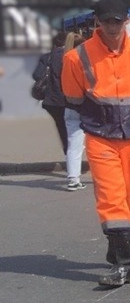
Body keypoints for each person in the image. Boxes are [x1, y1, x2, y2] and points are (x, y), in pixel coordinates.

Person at [61, 0, 130, 288]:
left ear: (126, 20)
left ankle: (118, 248)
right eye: (107, 21)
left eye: (118, 21)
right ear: (97, 22)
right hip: (101, 138)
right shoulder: (77, 58)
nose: (113, 27)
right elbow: (74, 97)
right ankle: (125, 264)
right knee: (111, 199)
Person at [33, 31, 81, 188]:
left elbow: (36, 75)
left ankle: (71, 162)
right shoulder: (72, 55)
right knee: (76, 133)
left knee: (63, 130)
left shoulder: (47, 56)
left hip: (51, 102)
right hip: (69, 100)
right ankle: (74, 167)